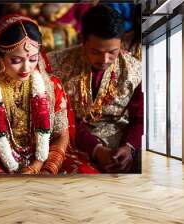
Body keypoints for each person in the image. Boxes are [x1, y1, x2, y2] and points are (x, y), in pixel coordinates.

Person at [0, 15, 71, 174]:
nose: (26, 68)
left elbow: (61, 136)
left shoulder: (51, 87)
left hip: (43, 164)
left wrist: (41, 168)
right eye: (16, 60)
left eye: (33, 59)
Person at [47, 5, 143, 173]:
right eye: (96, 52)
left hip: (119, 142)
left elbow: (139, 119)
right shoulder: (56, 65)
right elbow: (58, 117)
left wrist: (129, 147)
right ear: (82, 40)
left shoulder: (135, 70)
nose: (104, 59)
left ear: (122, 43)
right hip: (71, 138)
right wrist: (96, 150)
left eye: (112, 52)